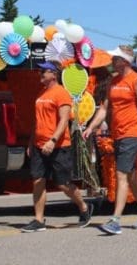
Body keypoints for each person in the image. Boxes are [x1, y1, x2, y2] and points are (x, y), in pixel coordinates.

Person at [83, 46, 137, 235]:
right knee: (131, 175)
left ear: (124, 61)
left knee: (121, 174)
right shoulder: (113, 82)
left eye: (115, 58)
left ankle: (115, 220)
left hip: (131, 134)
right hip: (117, 134)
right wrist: (91, 127)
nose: (112, 60)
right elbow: (104, 108)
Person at [21, 61, 91, 233]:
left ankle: (84, 207)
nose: (41, 74)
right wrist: (31, 142)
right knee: (38, 180)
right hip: (39, 145)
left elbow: (63, 120)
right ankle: (39, 220)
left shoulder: (61, 93)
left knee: (63, 184)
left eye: (44, 71)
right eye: (40, 71)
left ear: (54, 74)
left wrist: (52, 141)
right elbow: (37, 121)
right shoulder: (41, 94)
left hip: (58, 146)